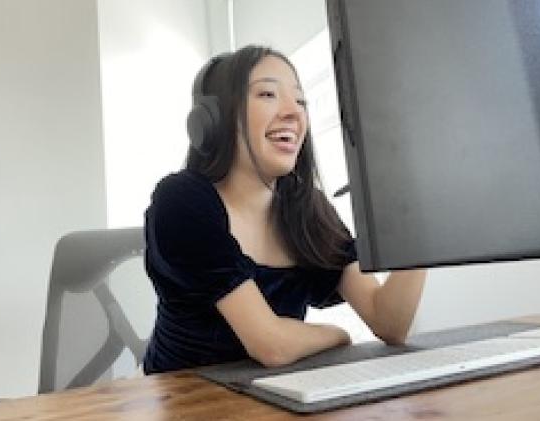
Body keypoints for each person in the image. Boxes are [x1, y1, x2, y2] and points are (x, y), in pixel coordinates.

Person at [142, 45, 426, 374]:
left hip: (272, 400)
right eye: (267, 94)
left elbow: (389, 321)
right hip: (186, 402)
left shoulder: (308, 209)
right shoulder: (181, 201)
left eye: (301, 100)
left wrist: (417, 221)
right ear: (215, 120)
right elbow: (271, 345)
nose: (294, 112)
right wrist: (337, 335)